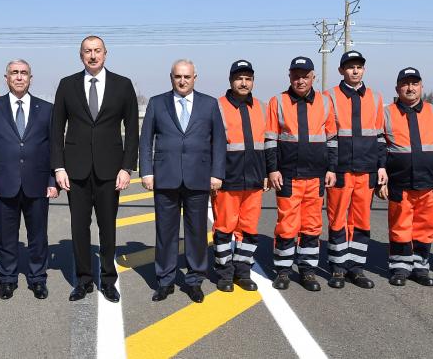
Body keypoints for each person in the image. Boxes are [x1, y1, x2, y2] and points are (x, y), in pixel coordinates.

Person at [51, 35, 139, 303]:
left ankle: (109, 280)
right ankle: (83, 280)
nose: (92, 55)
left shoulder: (122, 85)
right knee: (79, 227)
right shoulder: (67, 85)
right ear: (80, 55)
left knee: (107, 227)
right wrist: (58, 167)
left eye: (97, 51)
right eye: (87, 51)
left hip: (110, 170)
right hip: (75, 171)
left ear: (105, 53)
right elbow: (56, 129)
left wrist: (127, 167)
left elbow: (133, 130)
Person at [140, 59, 225, 303]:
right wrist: (146, 171)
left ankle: (195, 280)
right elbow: (146, 140)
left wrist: (217, 173)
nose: (182, 81)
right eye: (178, 76)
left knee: (196, 233)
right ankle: (165, 280)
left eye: (187, 76)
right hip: (165, 179)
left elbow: (218, 141)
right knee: (165, 233)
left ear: (195, 77)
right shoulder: (157, 103)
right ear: (171, 77)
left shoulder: (209, 104)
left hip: (198, 179)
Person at [0, 59, 57, 300]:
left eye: (24, 73)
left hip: (38, 184)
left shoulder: (46, 108)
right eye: (14, 73)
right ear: (6, 78)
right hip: (3, 184)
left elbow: (55, 148)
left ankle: (37, 278)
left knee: (38, 236)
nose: (19, 77)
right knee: (6, 237)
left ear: (30, 78)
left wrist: (53, 181)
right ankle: (8, 278)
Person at [265, 56, 337, 292]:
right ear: (289, 77)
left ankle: (307, 271)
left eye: (305, 76)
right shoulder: (278, 102)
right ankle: (283, 270)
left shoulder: (326, 103)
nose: (300, 80)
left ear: (313, 77)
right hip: (287, 176)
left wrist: (332, 169)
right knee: (287, 225)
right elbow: (271, 139)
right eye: (296, 76)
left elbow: (332, 140)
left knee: (312, 226)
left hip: (316, 177)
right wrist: (272, 169)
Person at [378, 67, 433, 287]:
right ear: (397, 88)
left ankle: (420, 268)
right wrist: (380, 181)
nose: (410, 88)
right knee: (400, 225)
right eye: (405, 84)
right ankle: (400, 267)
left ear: (421, 86)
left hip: (429, 183)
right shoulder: (387, 113)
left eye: (414, 83)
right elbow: (379, 148)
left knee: (425, 226)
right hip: (399, 183)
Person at [325, 51, 387, 290]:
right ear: (341, 70)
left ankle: (356, 267)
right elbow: (328, 136)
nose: (354, 71)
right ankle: (338, 267)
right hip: (340, 170)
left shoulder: (376, 97)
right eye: (349, 67)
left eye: (358, 67)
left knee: (361, 220)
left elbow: (381, 136)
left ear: (364, 69)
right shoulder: (329, 96)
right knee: (338, 219)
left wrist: (381, 166)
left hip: (367, 170)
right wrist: (330, 168)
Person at [211, 60, 270, 293]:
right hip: (227, 180)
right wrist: (213, 175)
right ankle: (225, 273)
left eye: (248, 78)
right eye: (239, 78)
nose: (243, 83)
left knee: (248, 229)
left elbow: (266, 144)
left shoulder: (262, 107)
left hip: (254, 180)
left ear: (253, 81)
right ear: (230, 80)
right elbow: (211, 145)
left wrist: (265, 173)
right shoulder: (218, 106)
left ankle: (243, 272)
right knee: (224, 228)